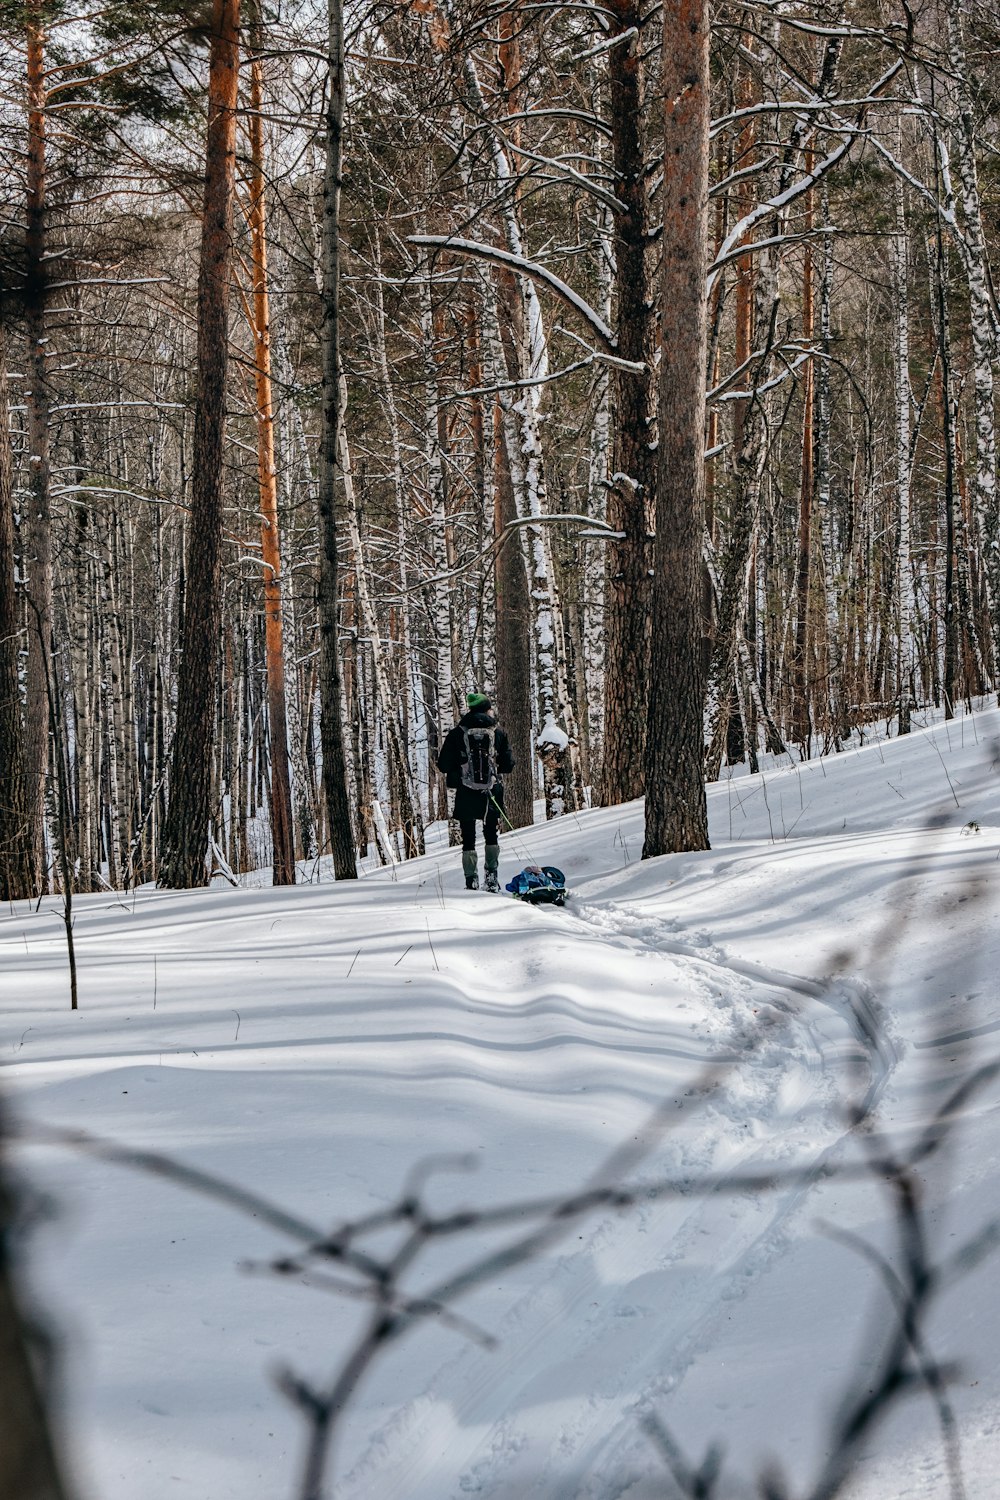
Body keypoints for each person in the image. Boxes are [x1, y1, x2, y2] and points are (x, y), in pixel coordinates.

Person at [437, 693, 515, 890]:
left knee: (468, 837)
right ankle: (491, 877)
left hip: (466, 790)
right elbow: (508, 766)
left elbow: (443, 764)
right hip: (491, 790)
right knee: (491, 834)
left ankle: (471, 880)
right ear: (487, 709)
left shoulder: (457, 733)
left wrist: (459, 769)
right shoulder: (498, 732)